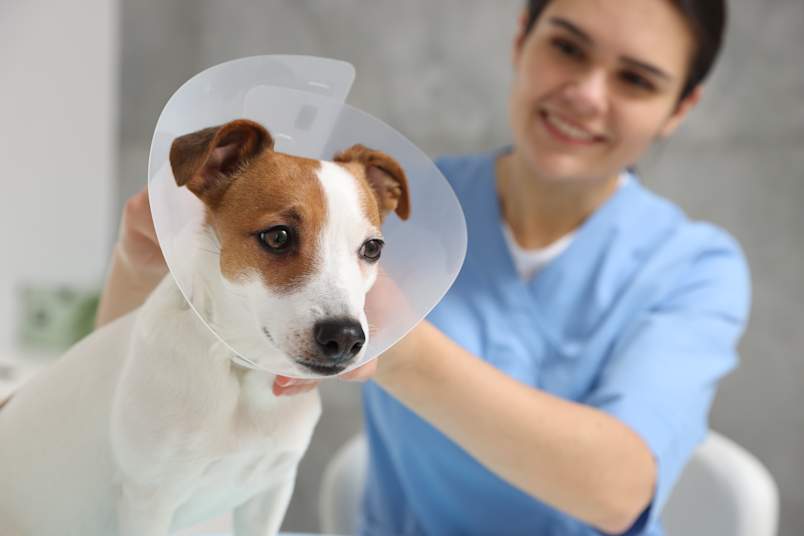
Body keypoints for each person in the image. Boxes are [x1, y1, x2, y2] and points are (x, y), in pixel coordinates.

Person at [97, 0, 749, 534]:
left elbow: (619, 491)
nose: (584, 93)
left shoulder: (694, 267)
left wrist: (398, 348)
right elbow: (123, 391)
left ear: (681, 107)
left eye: (636, 79)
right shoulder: (397, 210)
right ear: (522, 39)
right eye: (568, 47)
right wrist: (143, 262)